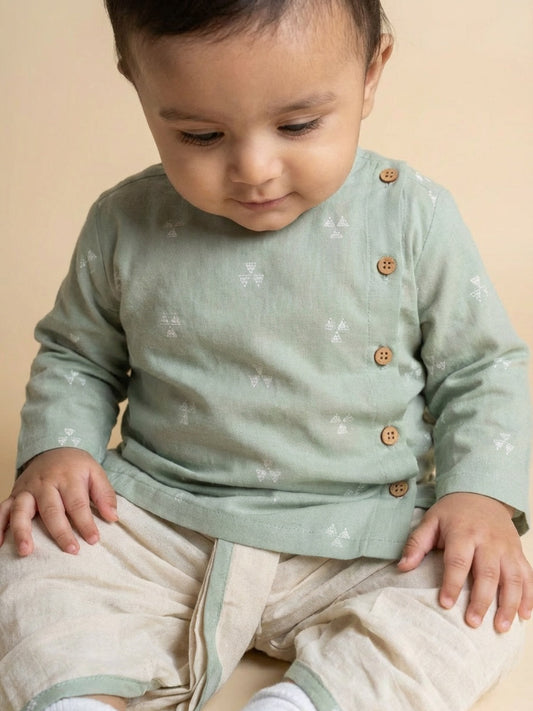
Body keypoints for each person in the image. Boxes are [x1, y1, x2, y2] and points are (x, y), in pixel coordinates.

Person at [0, 1, 531, 710]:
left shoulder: (412, 217)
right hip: (163, 520)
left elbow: (481, 370)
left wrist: (480, 495)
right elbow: (79, 356)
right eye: (199, 134)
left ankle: (308, 703)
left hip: (366, 533)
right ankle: (80, 694)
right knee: (33, 551)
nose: (253, 169)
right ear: (136, 81)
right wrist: (58, 449)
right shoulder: (125, 222)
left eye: (298, 125)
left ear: (370, 73)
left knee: (479, 598)